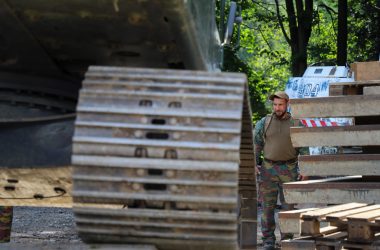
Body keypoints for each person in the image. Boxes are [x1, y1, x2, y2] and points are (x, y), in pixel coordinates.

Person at [254, 91, 305, 250]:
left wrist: (305, 168)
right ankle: (268, 240)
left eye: (280, 105)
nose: (277, 108)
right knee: (267, 207)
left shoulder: (296, 123)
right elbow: (256, 144)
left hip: (290, 169)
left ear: (287, 104)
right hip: (268, 169)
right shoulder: (265, 122)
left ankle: (286, 239)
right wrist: (254, 163)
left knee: (288, 207)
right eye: (275, 105)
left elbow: (304, 148)